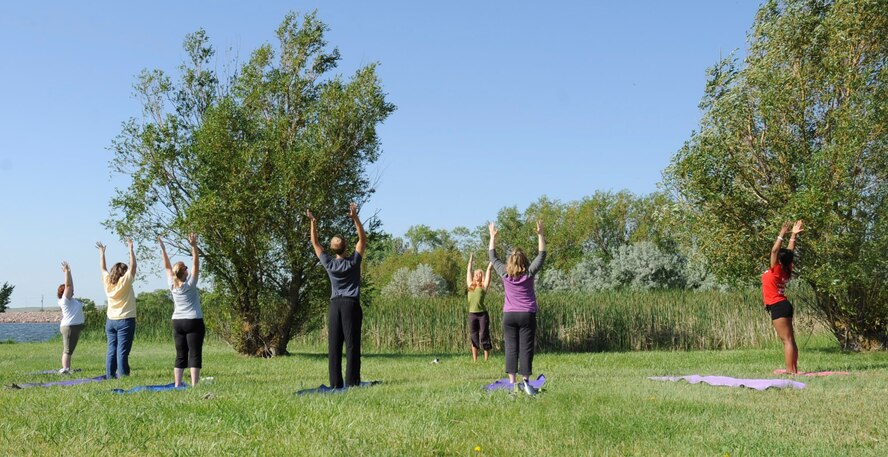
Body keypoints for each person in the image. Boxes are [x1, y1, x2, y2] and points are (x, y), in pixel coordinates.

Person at [307, 203, 367, 388]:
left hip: (335, 306)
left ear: (332, 249)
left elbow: (315, 243)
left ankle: (335, 384)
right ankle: (352, 382)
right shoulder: (353, 262)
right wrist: (355, 217)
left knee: (334, 347)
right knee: (351, 346)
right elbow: (362, 239)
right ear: (346, 247)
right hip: (350, 305)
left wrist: (313, 222)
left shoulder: (329, 263)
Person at [488, 220, 546, 395]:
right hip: (526, 315)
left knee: (511, 348)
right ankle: (526, 382)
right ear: (525, 262)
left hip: (509, 315)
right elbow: (542, 254)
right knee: (526, 348)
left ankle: (512, 384)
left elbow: (493, 256)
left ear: (510, 263)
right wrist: (540, 234)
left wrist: (492, 237)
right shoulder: (528, 274)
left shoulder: (505, 274)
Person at [158, 233, 204, 387]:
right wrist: (193, 246)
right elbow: (196, 263)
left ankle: (177, 384)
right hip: (193, 321)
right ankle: (194, 384)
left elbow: (166, 266)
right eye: (185, 267)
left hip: (177, 321)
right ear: (184, 272)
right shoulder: (190, 284)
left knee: (180, 354)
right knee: (194, 353)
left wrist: (163, 249)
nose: (188, 269)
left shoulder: (172, 284)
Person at [762, 220, 804, 374]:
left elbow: (774, 251)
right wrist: (793, 235)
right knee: (790, 340)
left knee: (787, 340)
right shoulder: (785, 269)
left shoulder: (777, 269)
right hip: (783, 305)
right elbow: (789, 253)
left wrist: (782, 233)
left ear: (779, 260)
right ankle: (793, 369)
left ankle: (790, 371)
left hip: (779, 306)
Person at [97, 239, 137, 379]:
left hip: (111, 321)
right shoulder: (124, 283)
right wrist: (130, 249)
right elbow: (133, 267)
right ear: (123, 273)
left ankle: (110, 375)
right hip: (125, 320)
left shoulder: (108, 282)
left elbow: (103, 269)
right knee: (122, 351)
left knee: (111, 350)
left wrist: (102, 254)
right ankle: (124, 375)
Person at [57, 261, 85, 374]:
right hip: (69, 327)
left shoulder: (71, 301)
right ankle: (65, 369)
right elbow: (68, 285)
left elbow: (70, 286)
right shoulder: (65, 300)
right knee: (67, 350)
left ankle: (67, 368)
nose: (73, 290)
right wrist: (67, 272)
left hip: (73, 327)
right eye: (70, 290)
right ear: (64, 293)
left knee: (70, 349)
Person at [465, 252, 493, 362]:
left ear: (482, 276)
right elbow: (469, 270)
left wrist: (493, 259)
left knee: (484, 335)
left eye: (479, 274)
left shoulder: (484, 286)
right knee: (474, 336)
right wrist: (471, 258)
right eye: (476, 274)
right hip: (472, 314)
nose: (477, 275)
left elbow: (489, 269)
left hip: (482, 314)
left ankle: (486, 360)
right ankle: (475, 360)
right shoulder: (470, 285)